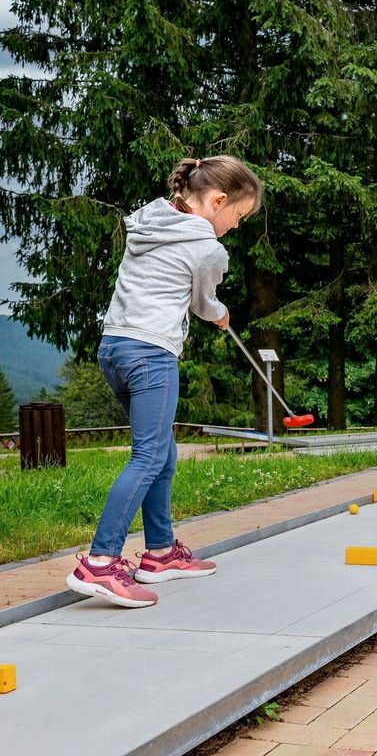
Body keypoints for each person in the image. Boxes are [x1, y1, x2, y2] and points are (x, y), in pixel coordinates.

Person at [66, 156, 263, 607]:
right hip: (151, 353)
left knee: (161, 451)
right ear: (218, 201)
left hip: (114, 348)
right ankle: (100, 562)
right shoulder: (208, 249)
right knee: (149, 455)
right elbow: (202, 301)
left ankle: (160, 552)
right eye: (238, 215)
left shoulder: (151, 221)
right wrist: (219, 313)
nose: (236, 226)